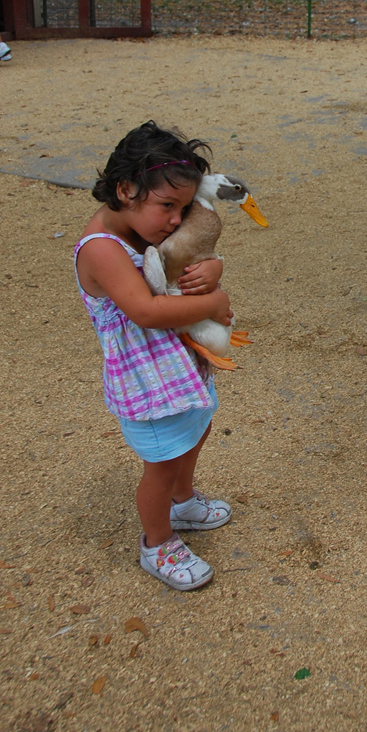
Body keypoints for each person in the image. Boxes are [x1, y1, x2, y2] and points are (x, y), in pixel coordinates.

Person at [75, 121, 235, 591]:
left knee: (196, 430)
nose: (175, 220)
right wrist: (212, 304)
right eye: (168, 206)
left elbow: (187, 257)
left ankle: (184, 503)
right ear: (125, 190)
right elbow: (145, 311)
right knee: (161, 465)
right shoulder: (103, 250)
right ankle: (157, 541)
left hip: (178, 367)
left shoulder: (145, 225)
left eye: (183, 208)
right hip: (147, 380)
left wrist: (213, 268)